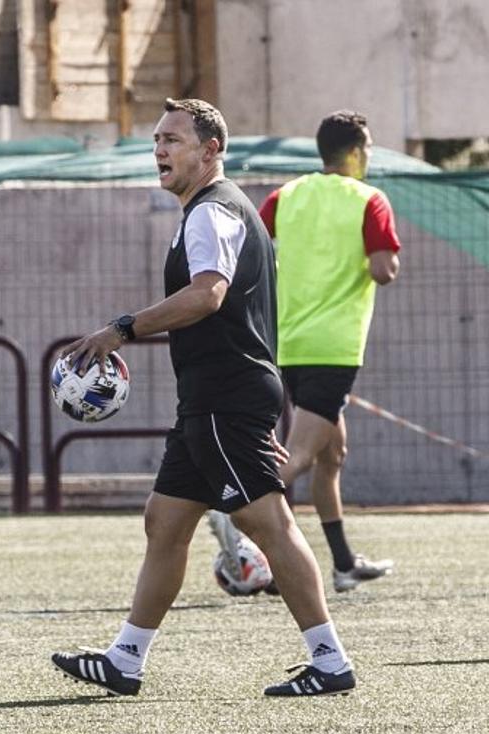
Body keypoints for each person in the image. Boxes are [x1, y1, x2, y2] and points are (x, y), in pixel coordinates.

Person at [51, 98, 356, 697]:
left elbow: (207, 295)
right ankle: (126, 659)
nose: (160, 150)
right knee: (165, 520)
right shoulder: (216, 208)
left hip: (224, 394)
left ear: (210, 150)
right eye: (157, 140)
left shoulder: (211, 212)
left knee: (265, 520)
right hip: (214, 396)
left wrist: (123, 327)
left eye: (173, 140)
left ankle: (330, 659)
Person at [256, 110, 400, 592]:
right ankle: (236, 537)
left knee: (332, 453)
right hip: (334, 346)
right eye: (370, 149)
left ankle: (342, 564)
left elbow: (253, 248)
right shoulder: (369, 200)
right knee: (297, 456)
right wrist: (383, 262)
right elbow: (383, 269)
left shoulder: (287, 195)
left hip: (290, 342)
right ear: (357, 152)